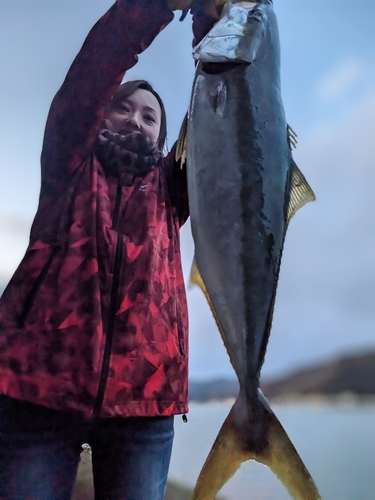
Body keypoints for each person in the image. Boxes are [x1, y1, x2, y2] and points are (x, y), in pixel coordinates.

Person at [0, 1, 219, 499]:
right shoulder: (70, 160)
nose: (135, 118)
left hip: (146, 401)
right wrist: (155, 7)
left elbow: (221, 112)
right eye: (122, 105)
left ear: (164, 138)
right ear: (100, 111)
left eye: (149, 116)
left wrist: (214, 22)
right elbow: (96, 66)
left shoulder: (172, 189)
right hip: (40, 389)